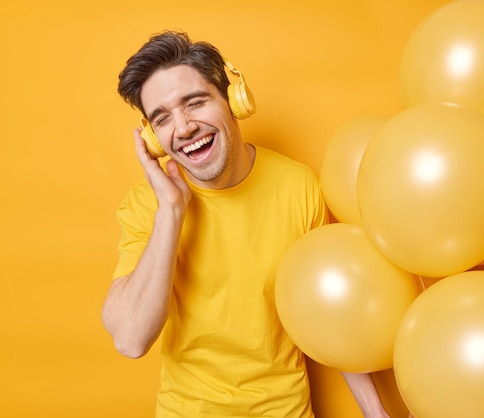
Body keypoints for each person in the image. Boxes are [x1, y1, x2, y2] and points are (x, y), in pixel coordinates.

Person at [101, 30, 392, 417]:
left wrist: (376, 412)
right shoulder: (145, 207)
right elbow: (130, 339)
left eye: (196, 102)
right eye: (163, 118)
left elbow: (326, 310)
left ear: (234, 100)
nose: (184, 127)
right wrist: (170, 211)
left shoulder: (298, 186)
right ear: (154, 140)